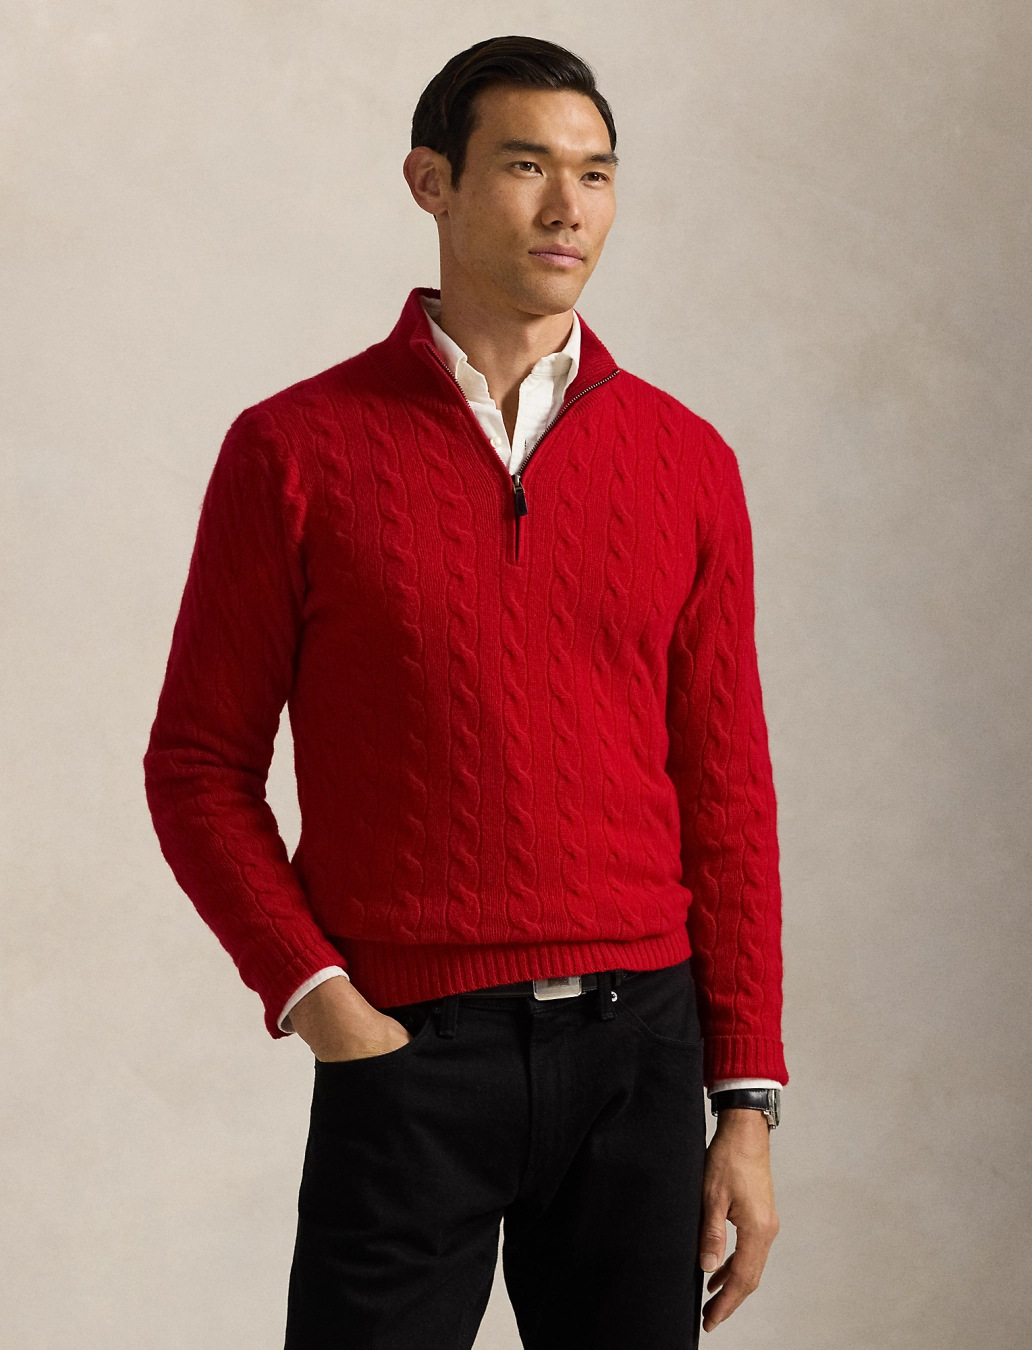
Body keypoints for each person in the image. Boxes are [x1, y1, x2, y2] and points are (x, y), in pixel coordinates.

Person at [143, 33, 789, 1350]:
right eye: (527, 166)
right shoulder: (293, 451)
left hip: (640, 1053)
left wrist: (745, 1100)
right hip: (407, 1050)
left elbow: (727, 790)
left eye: (596, 174)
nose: (569, 208)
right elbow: (197, 765)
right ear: (430, 181)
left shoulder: (688, 461)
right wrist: (319, 997)